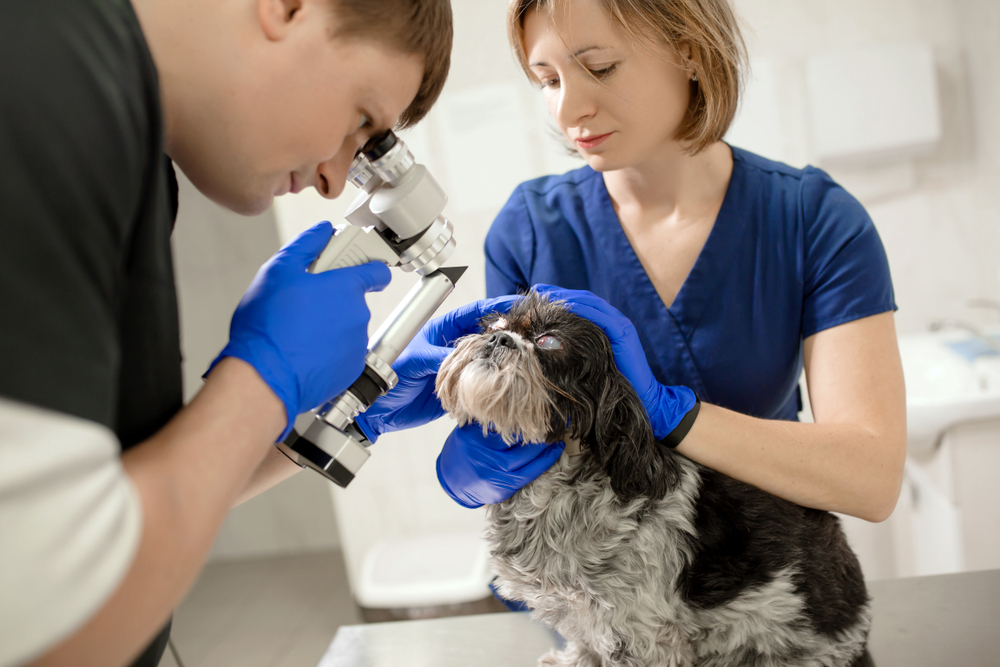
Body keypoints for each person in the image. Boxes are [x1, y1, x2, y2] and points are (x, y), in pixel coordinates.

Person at [0, 1, 451, 666]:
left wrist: (332, 418)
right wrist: (263, 379)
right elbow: (53, 615)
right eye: (360, 119)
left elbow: (114, 495)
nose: (333, 179)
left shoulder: (137, 154)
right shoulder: (45, 87)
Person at [363, 0, 907, 534]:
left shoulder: (813, 220)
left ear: (690, 51)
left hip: (760, 584)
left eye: (600, 68)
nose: (568, 110)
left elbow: (871, 478)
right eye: (548, 80)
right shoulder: (530, 230)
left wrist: (676, 417)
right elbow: (518, 443)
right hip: (596, 592)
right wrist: (477, 473)